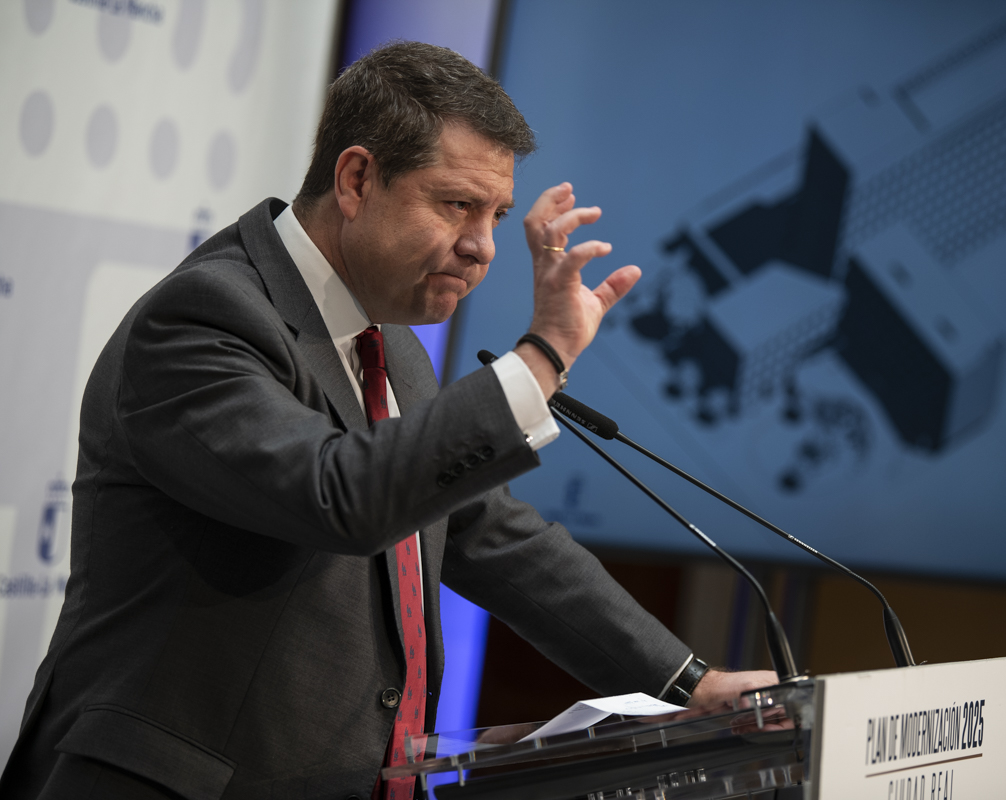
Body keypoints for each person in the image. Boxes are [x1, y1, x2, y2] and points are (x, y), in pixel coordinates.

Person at [0, 42, 775, 800]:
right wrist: (541, 357)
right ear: (357, 178)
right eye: (457, 205)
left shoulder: (392, 347)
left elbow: (488, 534)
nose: (482, 248)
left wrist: (688, 683)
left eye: (498, 215)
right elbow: (339, 496)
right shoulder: (205, 318)